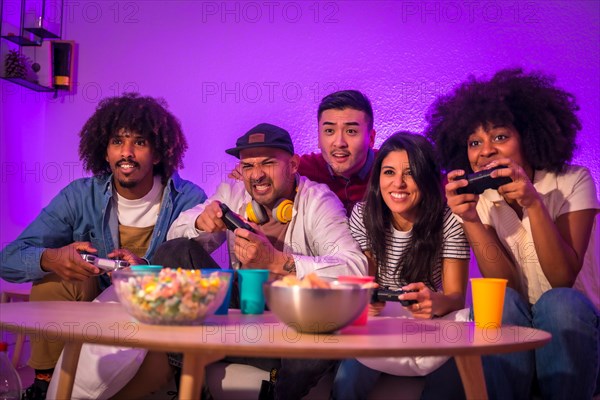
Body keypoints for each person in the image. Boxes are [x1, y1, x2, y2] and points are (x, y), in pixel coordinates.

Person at [121, 122, 368, 399]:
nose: (257, 175)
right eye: (248, 166)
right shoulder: (233, 192)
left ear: (294, 165)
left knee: (322, 337)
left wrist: (277, 261)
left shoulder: (318, 200)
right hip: (241, 314)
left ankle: (279, 393)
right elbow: (175, 236)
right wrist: (201, 224)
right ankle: (193, 385)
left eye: (268, 163)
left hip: (295, 320)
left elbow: (355, 268)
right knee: (175, 251)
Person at [0, 93, 208, 399]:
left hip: (147, 313)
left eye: (139, 142)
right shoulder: (80, 196)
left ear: (159, 153)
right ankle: (44, 382)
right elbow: (9, 258)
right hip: (89, 306)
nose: (126, 153)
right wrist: (51, 257)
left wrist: (146, 272)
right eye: (117, 142)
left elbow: (202, 277)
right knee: (52, 278)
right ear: (105, 151)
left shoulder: (188, 199)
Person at [426, 68, 600, 399]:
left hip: (576, 337)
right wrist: (470, 220)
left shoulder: (573, 181)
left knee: (559, 302)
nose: (485, 151)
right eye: (475, 142)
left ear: (529, 137)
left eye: (500, 137)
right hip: (517, 342)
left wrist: (533, 204)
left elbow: (562, 277)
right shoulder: (481, 200)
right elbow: (506, 287)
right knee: (498, 300)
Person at [331, 132, 471, 400]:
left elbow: (455, 299)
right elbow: (365, 282)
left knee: (455, 361)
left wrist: (433, 302)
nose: (398, 183)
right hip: (380, 322)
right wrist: (367, 300)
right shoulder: (363, 214)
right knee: (348, 378)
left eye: (410, 173)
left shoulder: (449, 220)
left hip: (429, 323)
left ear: (427, 178)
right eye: (389, 172)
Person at [298, 89, 376, 215]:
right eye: (329, 131)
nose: (339, 143)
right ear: (318, 138)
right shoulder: (301, 169)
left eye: (351, 131)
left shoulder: (391, 168)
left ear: (371, 139)